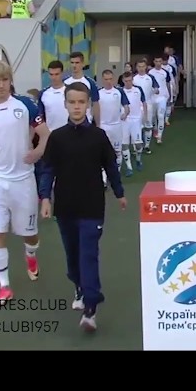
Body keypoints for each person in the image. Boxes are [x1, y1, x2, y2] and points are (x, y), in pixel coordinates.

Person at [39, 82, 127, 332]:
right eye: (72, 102)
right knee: (73, 256)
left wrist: (119, 193)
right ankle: (78, 285)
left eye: (81, 102)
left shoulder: (98, 136)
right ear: (65, 104)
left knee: (88, 254)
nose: (77, 107)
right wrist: (45, 198)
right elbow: (48, 170)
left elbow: (111, 166)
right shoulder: (57, 137)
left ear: (88, 104)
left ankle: (90, 308)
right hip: (65, 207)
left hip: (92, 206)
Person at [0, 60, 51, 307]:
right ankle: (4, 286)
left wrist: (38, 151)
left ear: (10, 81)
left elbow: (46, 134)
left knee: (30, 234)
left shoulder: (25, 104)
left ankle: (30, 254)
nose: (1, 85)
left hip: (23, 180)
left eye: (5, 80)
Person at [98, 70, 130, 174]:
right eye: (106, 79)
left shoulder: (119, 92)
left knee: (117, 151)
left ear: (114, 79)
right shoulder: (98, 93)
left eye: (110, 79)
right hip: (103, 126)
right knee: (103, 151)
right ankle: (104, 176)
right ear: (102, 80)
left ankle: (116, 173)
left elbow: (126, 106)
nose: (108, 81)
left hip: (116, 126)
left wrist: (125, 113)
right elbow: (94, 107)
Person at [120, 71, 147, 175]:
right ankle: (129, 167)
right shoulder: (120, 91)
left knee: (138, 144)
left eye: (130, 80)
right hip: (124, 121)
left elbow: (144, 102)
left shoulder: (138, 90)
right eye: (126, 81)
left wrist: (145, 116)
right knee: (124, 144)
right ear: (123, 81)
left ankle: (138, 160)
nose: (128, 83)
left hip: (136, 120)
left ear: (132, 80)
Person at [132, 60, 159, 155]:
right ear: (136, 68)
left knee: (148, 126)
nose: (141, 68)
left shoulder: (150, 77)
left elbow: (157, 89)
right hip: (136, 106)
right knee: (137, 127)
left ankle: (147, 146)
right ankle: (136, 148)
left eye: (143, 66)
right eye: (139, 66)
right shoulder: (133, 79)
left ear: (146, 67)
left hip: (148, 104)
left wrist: (155, 90)